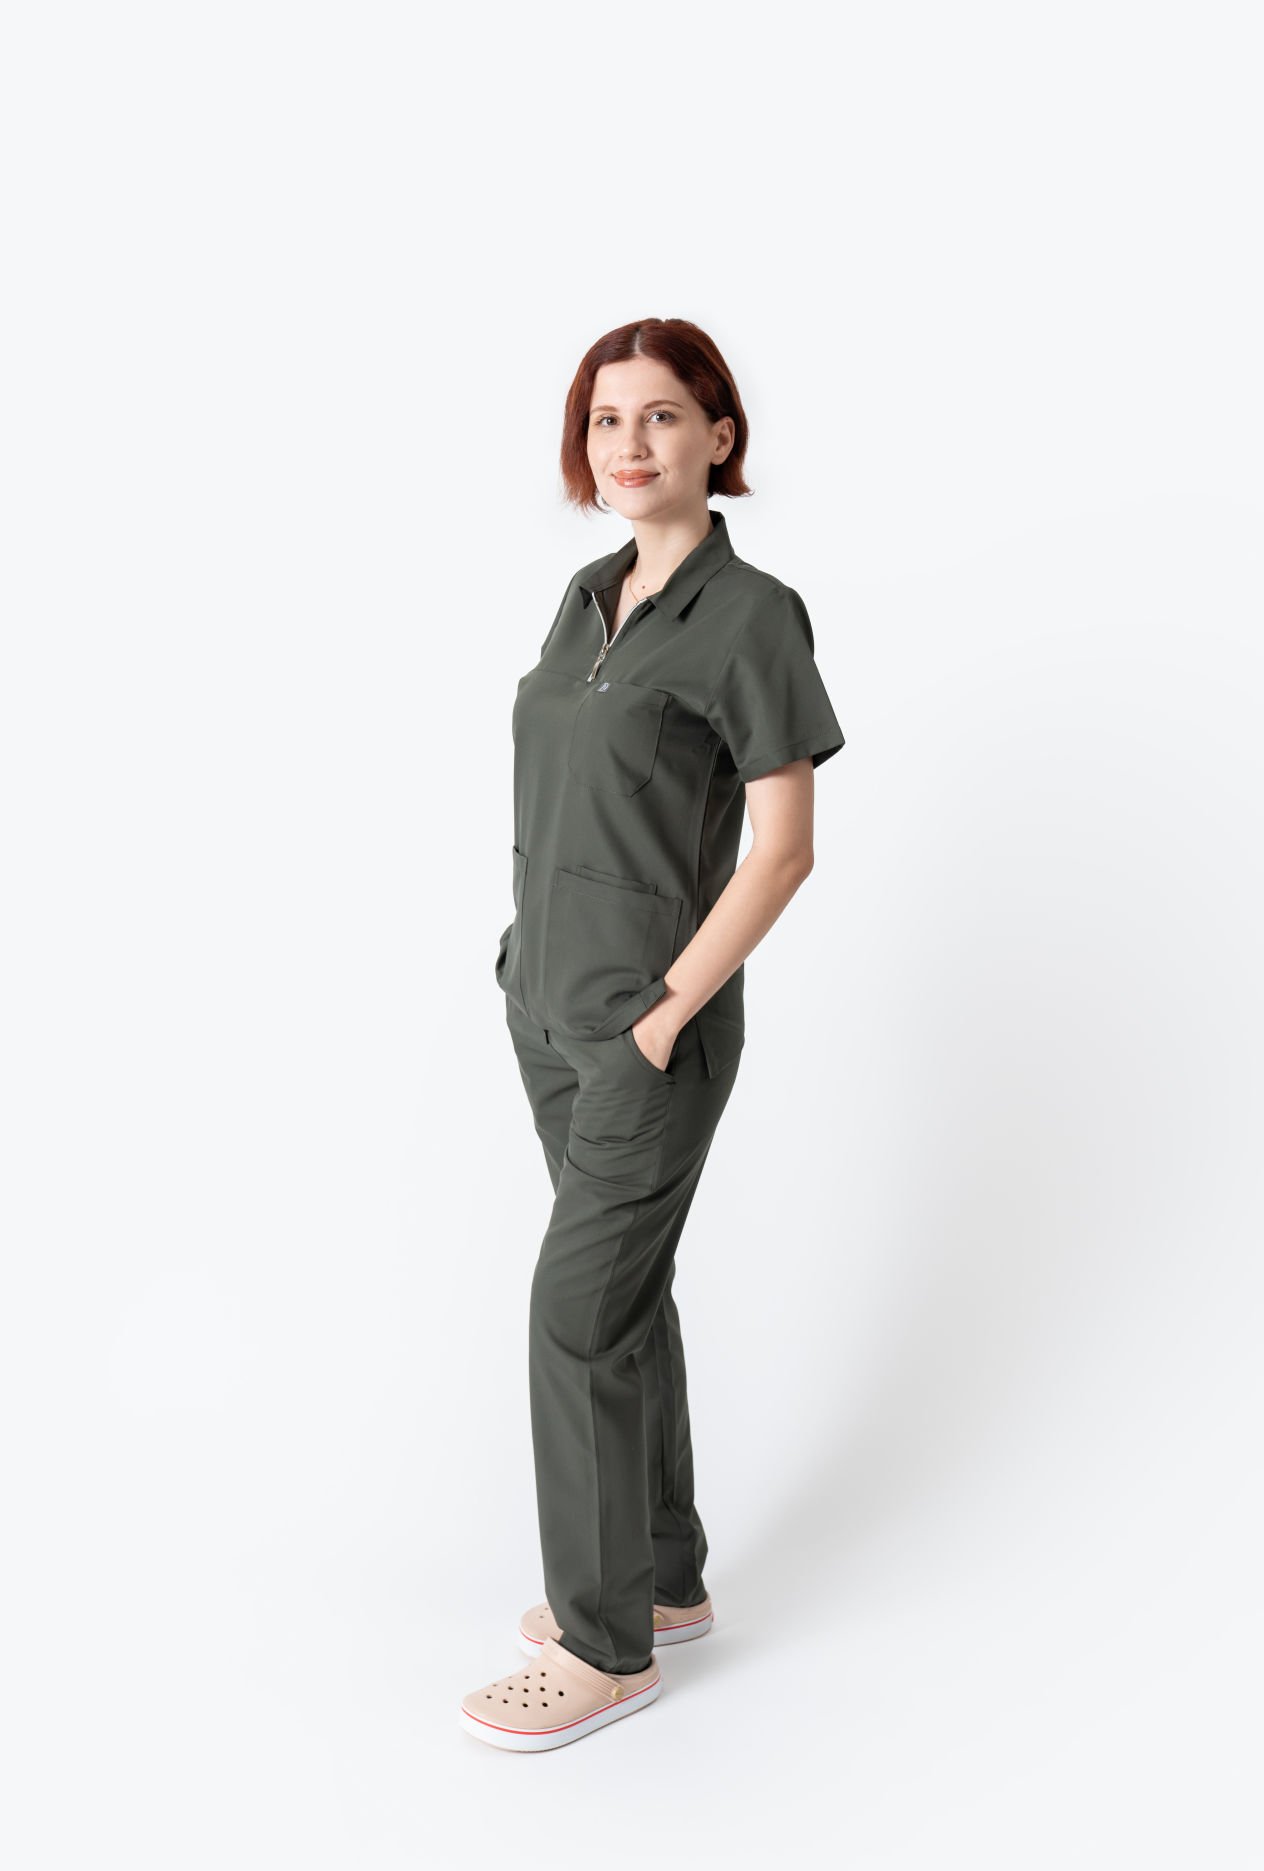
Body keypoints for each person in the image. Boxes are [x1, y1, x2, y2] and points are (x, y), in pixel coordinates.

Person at [459, 317, 846, 1751]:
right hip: (546, 1009)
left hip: (646, 1031)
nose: (630, 443)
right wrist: (524, 965)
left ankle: (604, 1647)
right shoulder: (585, 597)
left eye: (663, 415)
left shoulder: (753, 616)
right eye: (606, 419)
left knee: (575, 1314)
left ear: (718, 436)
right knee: (627, 1297)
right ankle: (665, 1579)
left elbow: (785, 848)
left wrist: (667, 1015)